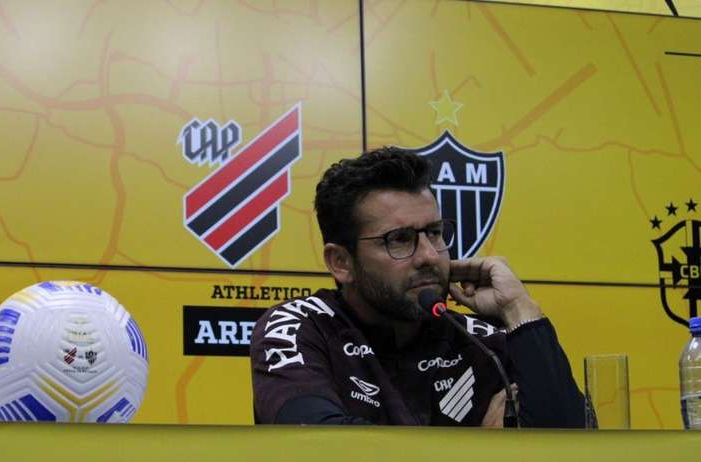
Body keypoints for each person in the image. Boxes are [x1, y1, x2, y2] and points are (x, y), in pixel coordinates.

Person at [250, 147, 585, 427]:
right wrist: (482, 456)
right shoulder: (301, 327)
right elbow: (321, 450)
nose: (429, 255)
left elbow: (577, 448)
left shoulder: (480, 341)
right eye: (399, 239)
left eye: (435, 232)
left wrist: (519, 309)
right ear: (341, 262)